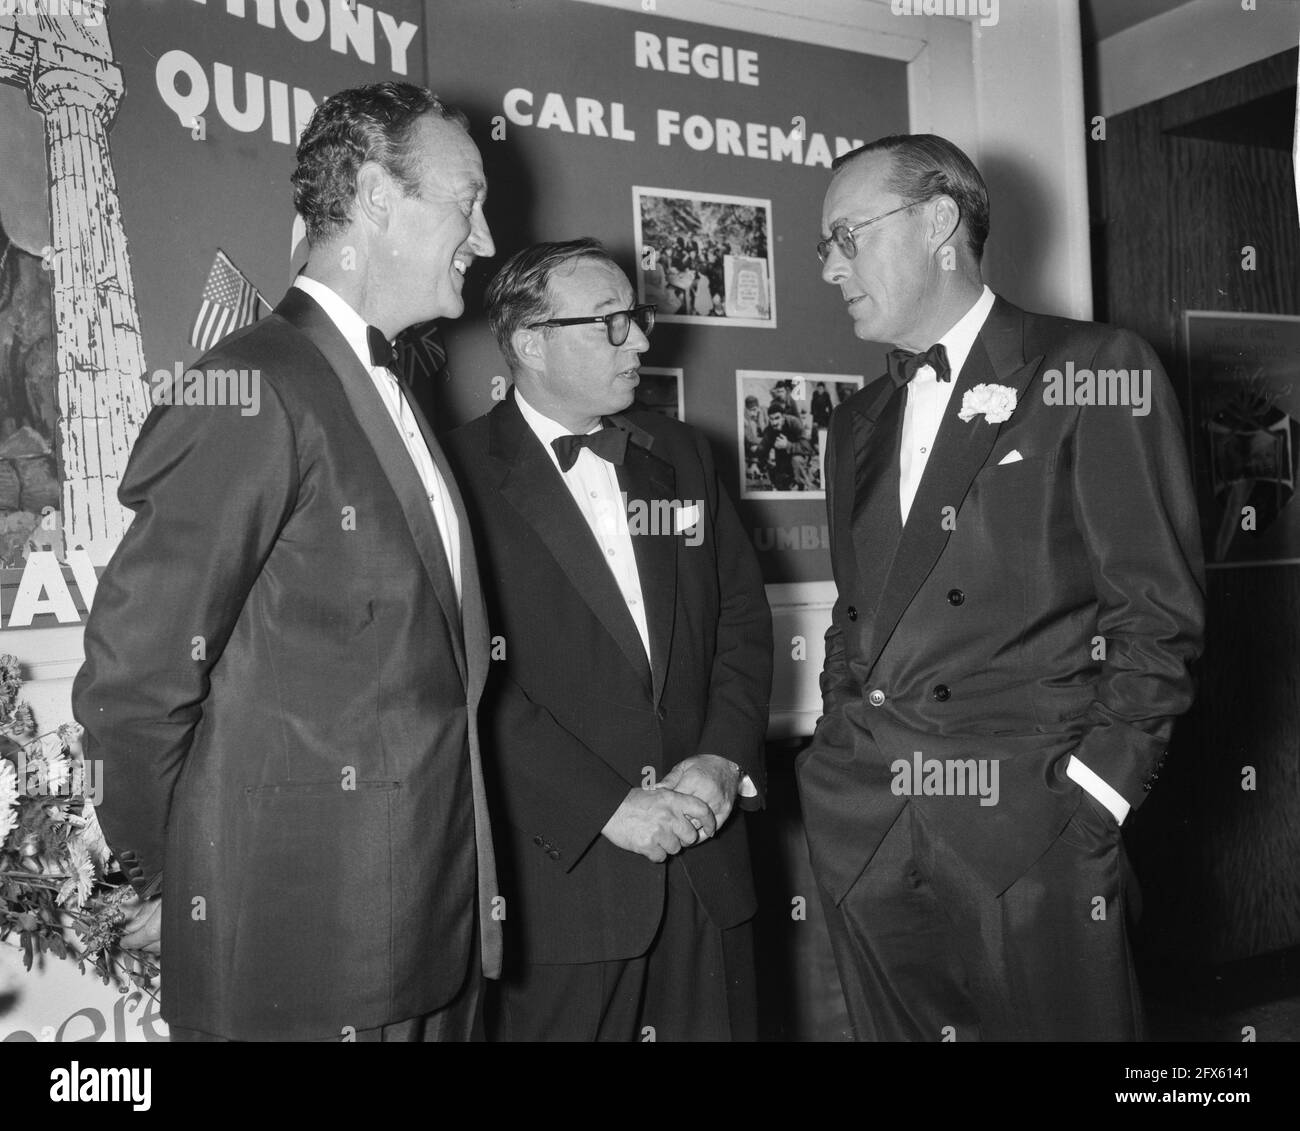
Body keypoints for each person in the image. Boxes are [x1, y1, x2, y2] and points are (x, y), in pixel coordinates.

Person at [72, 82, 499, 1042]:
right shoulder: (251, 386)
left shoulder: (391, 385)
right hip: (302, 958)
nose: (484, 236)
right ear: (378, 200)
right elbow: (134, 685)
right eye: (466, 202)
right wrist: (176, 876)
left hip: (434, 935)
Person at [798, 133, 1205, 1041]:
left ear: (939, 221)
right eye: (825, 246)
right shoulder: (853, 423)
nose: (830, 266)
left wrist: (1096, 800)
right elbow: (855, 615)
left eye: (845, 236)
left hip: (1030, 824)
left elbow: (1158, 613)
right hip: (868, 815)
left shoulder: (1093, 367)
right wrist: (837, 738)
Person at [444, 238, 772, 1042]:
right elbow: (460, 679)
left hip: (706, 873)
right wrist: (606, 808)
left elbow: (741, 622)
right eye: (612, 323)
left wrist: (723, 759)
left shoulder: (685, 454)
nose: (642, 341)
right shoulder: (452, 474)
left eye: (638, 318)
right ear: (529, 342)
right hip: (562, 898)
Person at [755, 406, 811, 492]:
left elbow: (807, 448)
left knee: (796, 460)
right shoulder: (770, 430)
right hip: (782, 461)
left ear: (783, 417)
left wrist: (787, 445)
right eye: (771, 419)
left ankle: (802, 485)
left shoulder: (794, 423)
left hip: (798, 458)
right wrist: (760, 460)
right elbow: (761, 449)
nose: (774, 422)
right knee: (783, 487)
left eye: (777, 418)